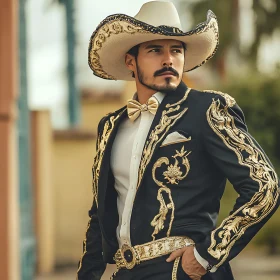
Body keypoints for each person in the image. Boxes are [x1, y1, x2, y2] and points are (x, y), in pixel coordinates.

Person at [76, 1, 280, 280]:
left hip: (182, 272)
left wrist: (206, 256)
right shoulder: (111, 126)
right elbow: (100, 214)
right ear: (130, 61)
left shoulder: (207, 109)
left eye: (176, 50)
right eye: (155, 50)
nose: (168, 59)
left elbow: (264, 187)